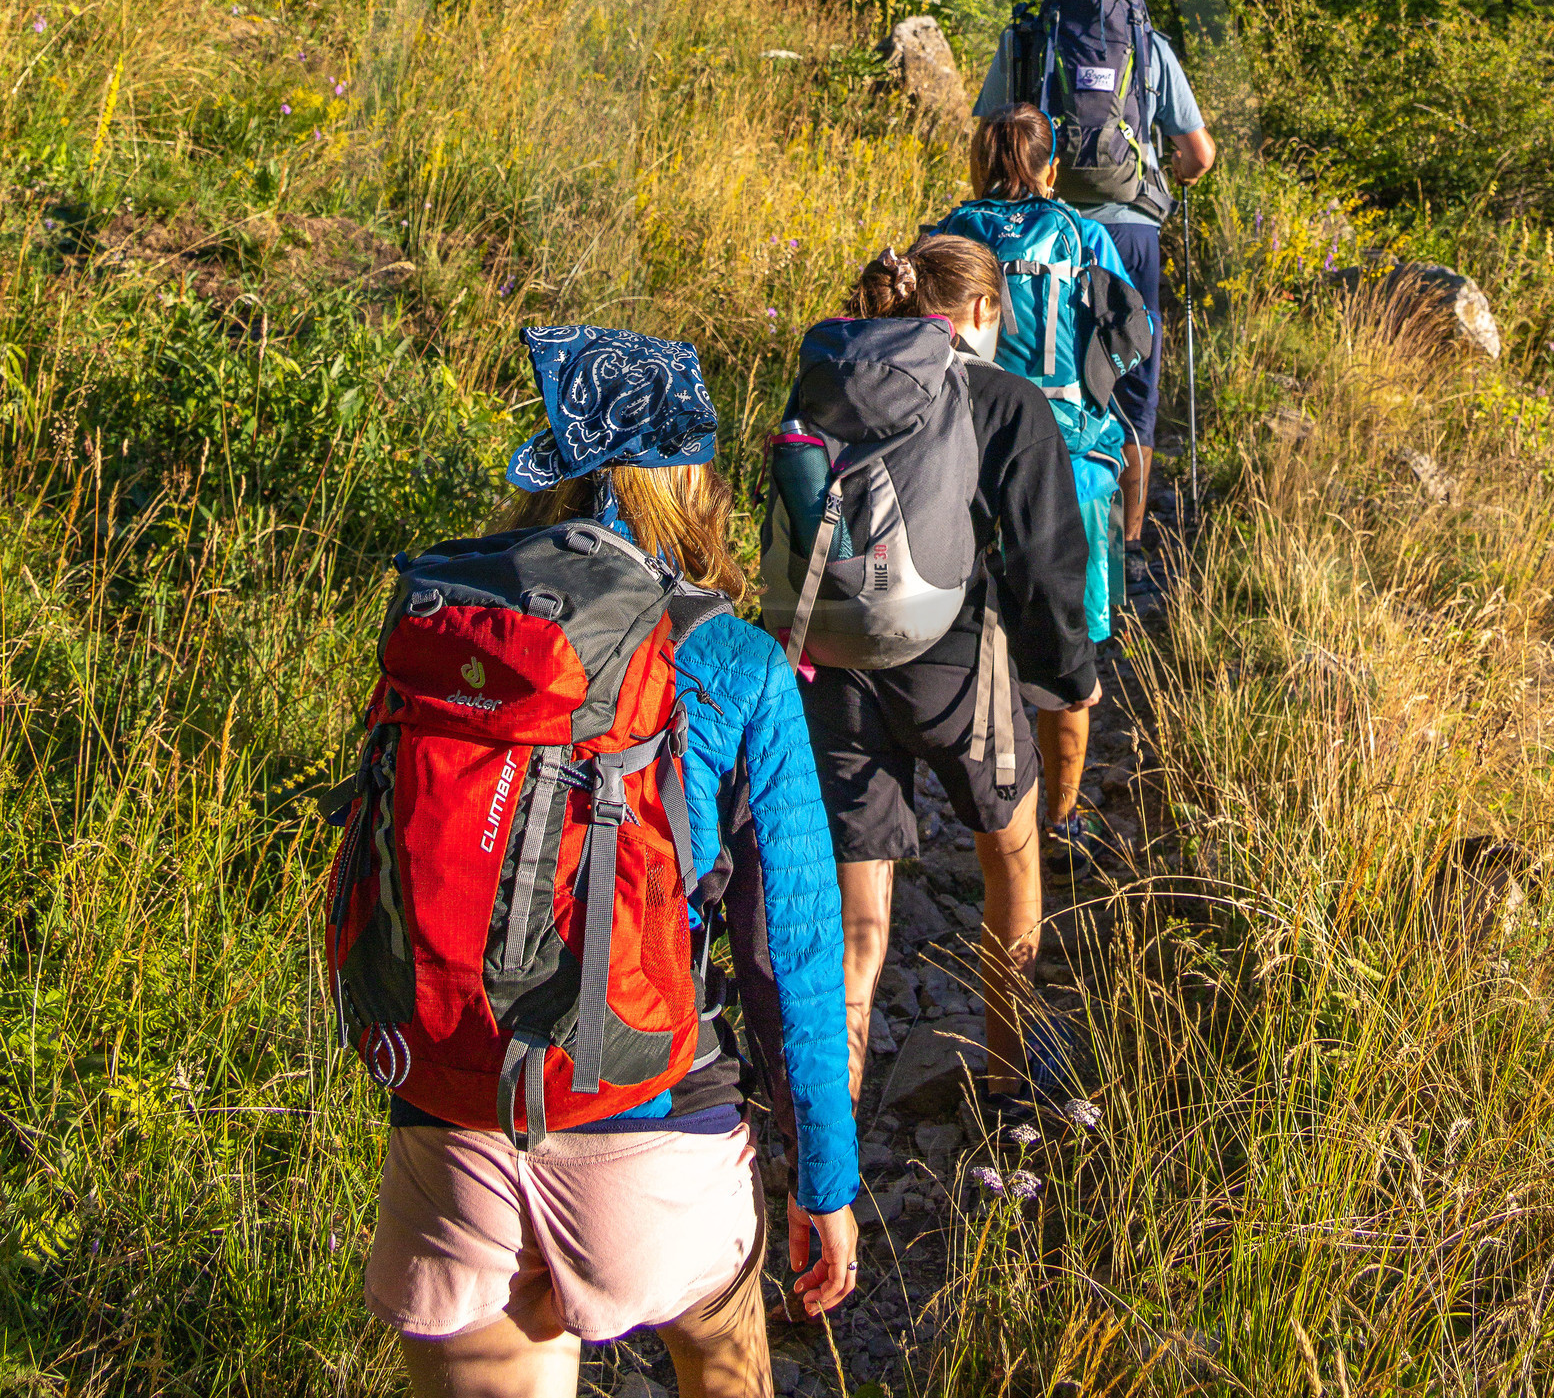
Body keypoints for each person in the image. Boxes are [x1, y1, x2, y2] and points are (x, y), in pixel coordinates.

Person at [362, 326, 859, 1398]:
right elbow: (794, 958)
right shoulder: (732, 661)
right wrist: (825, 1182)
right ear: (691, 480)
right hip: (651, 1126)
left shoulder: (452, 625)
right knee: (722, 1347)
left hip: (454, 1124)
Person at [793, 235, 1098, 1118]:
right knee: (1012, 854)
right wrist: (1068, 674)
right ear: (981, 312)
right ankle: (1008, 1081)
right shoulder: (1006, 398)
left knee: (859, 928)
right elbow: (1044, 564)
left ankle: (831, 1150)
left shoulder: (835, 380)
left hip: (838, 660)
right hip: (959, 663)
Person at [936, 101, 1149, 869]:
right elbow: (1135, 333)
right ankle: (1061, 817)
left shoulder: (951, 235)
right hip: (1073, 467)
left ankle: (982, 808)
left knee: (967, 634)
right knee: (1071, 657)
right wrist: (1091, 386)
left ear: (979, 160)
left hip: (967, 462)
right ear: (1052, 166)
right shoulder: (1086, 236)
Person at [975, 0, 1216, 601]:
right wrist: (1167, 176)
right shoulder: (1148, 43)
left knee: (1036, 373)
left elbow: (989, 133)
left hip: (1042, 230)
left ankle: (1021, 531)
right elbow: (1198, 154)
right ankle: (1125, 550)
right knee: (1129, 383)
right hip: (1132, 232)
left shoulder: (1024, 39)